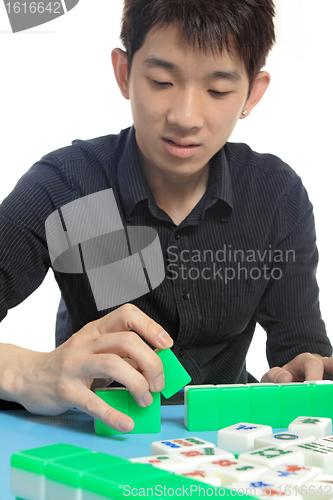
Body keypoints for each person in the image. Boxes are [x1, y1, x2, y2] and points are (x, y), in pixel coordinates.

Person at [0, 0, 332, 434]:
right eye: (161, 81)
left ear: (252, 92)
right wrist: (27, 370)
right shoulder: (70, 185)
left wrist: (307, 374)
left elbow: (299, 352)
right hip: (97, 437)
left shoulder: (274, 195)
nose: (184, 118)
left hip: (229, 448)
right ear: (124, 74)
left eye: (217, 91)